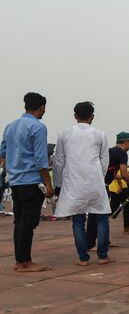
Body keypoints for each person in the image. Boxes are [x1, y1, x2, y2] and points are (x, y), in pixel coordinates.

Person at [53, 102, 114, 265]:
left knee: (78, 220)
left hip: (74, 182)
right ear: (92, 117)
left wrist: (58, 184)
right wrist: (99, 178)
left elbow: (58, 160)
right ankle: (102, 256)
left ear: (75, 116)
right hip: (95, 181)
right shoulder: (100, 134)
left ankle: (83, 258)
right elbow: (104, 161)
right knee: (101, 218)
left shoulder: (64, 134)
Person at [0, 92, 54, 272]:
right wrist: (48, 183)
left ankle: (19, 260)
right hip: (31, 181)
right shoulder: (38, 127)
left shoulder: (10, 126)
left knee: (20, 220)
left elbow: (3, 153)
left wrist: (11, 169)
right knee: (28, 222)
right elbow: (40, 159)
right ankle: (25, 261)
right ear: (42, 107)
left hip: (15, 181)